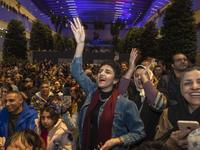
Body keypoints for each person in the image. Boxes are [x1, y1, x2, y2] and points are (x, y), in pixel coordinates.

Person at [70, 18, 145, 150]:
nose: (102, 74)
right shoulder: (92, 92)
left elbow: (139, 132)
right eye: (100, 71)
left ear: (116, 80)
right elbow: (76, 70)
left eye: (107, 72)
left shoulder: (125, 104)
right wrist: (81, 44)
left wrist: (117, 140)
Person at [118, 49, 169, 141]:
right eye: (137, 76)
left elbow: (159, 104)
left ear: (151, 78)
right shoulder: (131, 91)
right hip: (131, 140)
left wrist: (144, 77)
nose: (140, 78)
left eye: (144, 75)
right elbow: (119, 94)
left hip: (151, 141)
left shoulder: (161, 91)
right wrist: (130, 70)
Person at [155, 66, 200, 150]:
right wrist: (168, 145)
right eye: (188, 83)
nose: (195, 87)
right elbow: (155, 146)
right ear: (181, 89)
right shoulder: (168, 114)